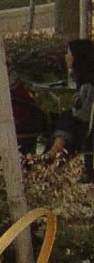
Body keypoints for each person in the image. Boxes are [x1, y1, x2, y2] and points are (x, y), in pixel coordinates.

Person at [48, 37, 94, 179]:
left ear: (77, 56)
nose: (66, 56)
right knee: (63, 117)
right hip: (83, 128)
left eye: (69, 53)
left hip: (86, 130)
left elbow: (83, 114)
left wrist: (73, 105)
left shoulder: (87, 85)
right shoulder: (82, 79)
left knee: (66, 117)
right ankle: (56, 150)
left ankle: (55, 150)